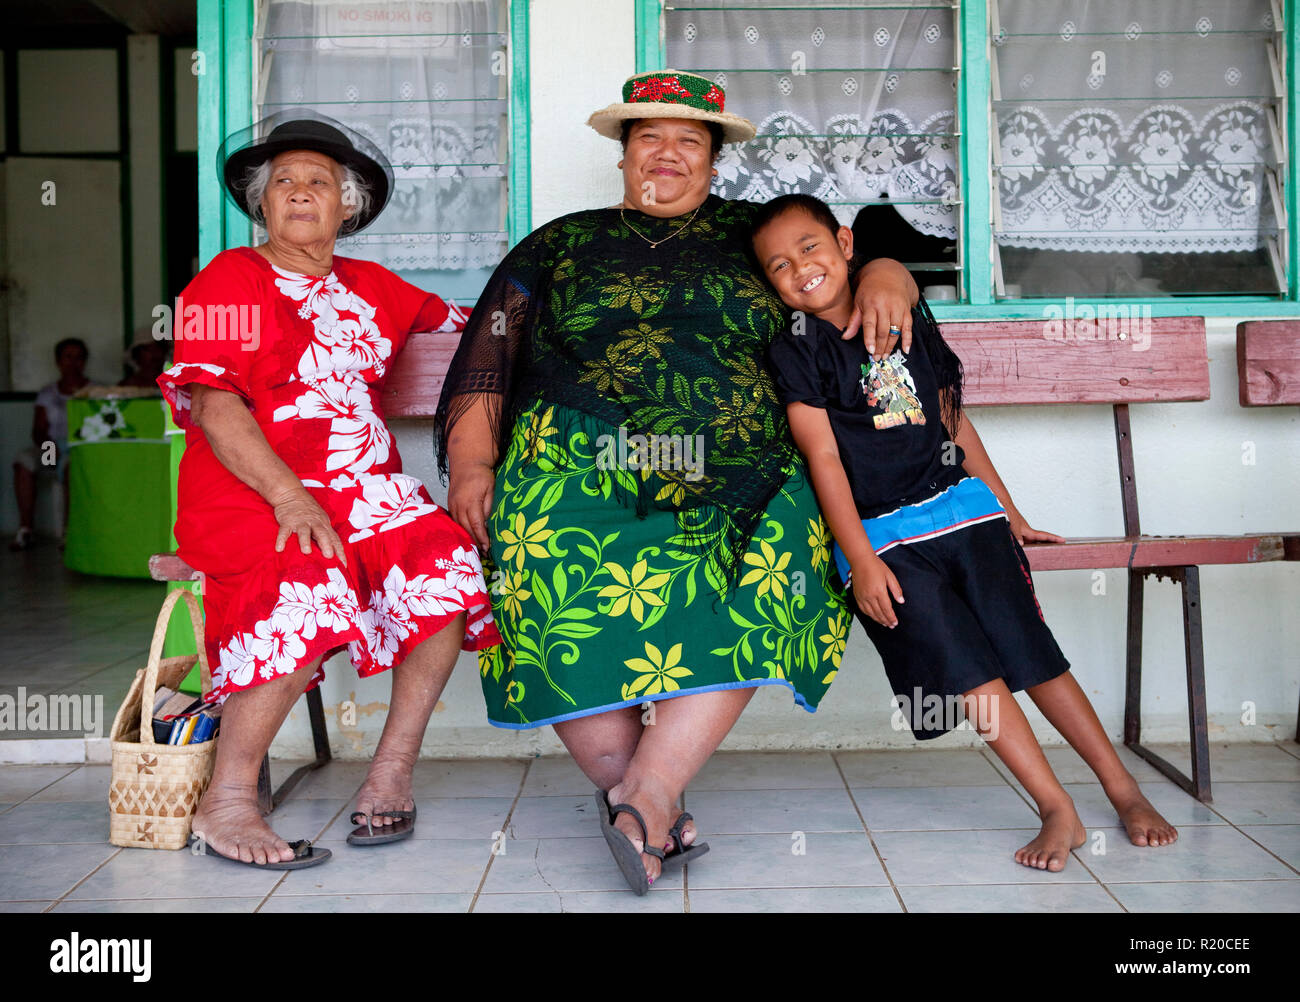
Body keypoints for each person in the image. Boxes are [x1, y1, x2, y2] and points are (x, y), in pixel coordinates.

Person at [435, 71, 919, 894]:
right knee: (534, 557)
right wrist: (474, 465)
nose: (667, 154)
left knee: (780, 567)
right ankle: (653, 806)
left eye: (689, 141)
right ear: (623, 156)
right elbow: (491, 356)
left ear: (715, 160)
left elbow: (837, 271)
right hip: (577, 457)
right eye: (649, 139)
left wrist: (887, 272)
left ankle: (645, 798)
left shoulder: (754, 236)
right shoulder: (558, 243)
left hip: (744, 467)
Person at [754, 193, 1178, 872]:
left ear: (843, 241)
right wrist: (859, 558)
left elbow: (953, 423)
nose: (800, 268)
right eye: (778, 265)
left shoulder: (899, 309)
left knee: (1032, 654)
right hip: (887, 541)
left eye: (809, 247)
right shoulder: (796, 349)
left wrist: (1011, 514)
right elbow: (823, 455)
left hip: (965, 516)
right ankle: (1053, 806)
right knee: (967, 671)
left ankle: (1123, 789)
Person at [158, 110, 500, 869]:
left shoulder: (376, 286)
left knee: (443, 559)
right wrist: (290, 497)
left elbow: (480, 331)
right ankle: (229, 799)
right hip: (250, 490)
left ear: (349, 206)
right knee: (306, 566)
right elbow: (215, 406)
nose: (301, 193)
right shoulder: (228, 279)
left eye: (319, 183)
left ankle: (390, 772)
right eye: (284, 183)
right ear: (262, 204)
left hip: (362, 490)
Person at [10, 338, 90, 551]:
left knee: (72, 466)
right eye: (68, 357)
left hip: (82, 449)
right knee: (24, 461)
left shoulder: (94, 391)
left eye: (78, 357)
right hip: (52, 447)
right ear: (58, 361)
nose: (73, 363)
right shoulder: (48, 393)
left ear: (85, 362)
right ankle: (25, 530)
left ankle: (68, 533)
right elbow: (38, 430)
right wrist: (51, 448)